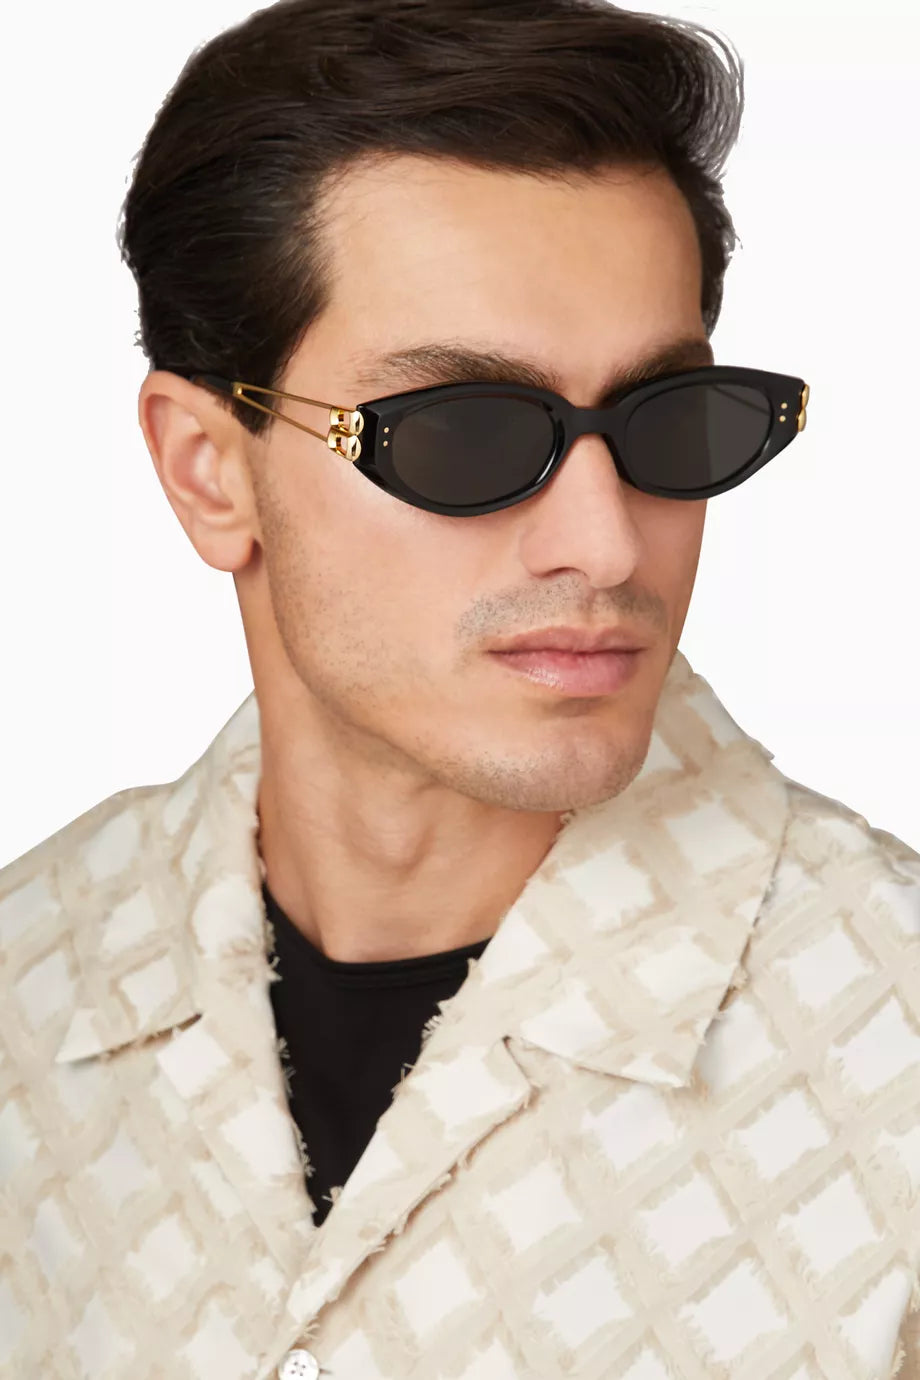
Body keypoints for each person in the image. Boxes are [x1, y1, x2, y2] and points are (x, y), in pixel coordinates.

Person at [1, 0, 918, 1376]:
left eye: (666, 418)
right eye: (465, 433)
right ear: (209, 470)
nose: (607, 546)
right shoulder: (27, 980)